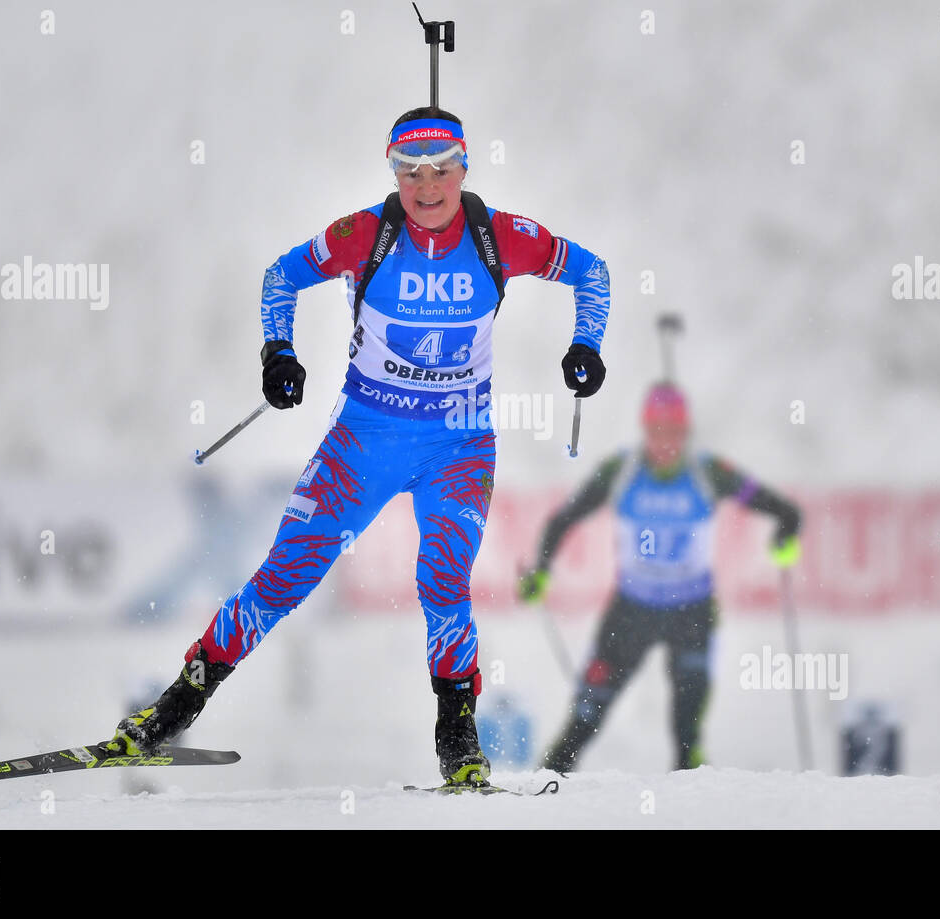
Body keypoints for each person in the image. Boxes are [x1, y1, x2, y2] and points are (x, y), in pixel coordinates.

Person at [103, 107, 611, 788]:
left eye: (440, 170)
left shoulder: (502, 238)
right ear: (393, 171)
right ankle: (174, 706)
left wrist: (585, 347)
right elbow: (281, 276)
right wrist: (277, 353)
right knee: (284, 577)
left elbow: (594, 273)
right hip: (363, 441)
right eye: (410, 172)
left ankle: (458, 740)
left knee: (443, 581)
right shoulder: (365, 234)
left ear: (464, 168)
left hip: (457, 446)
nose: (426, 187)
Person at [518, 382, 801, 772]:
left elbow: (784, 509)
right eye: (656, 432)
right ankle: (543, 791)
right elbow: (564, 518)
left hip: (691, 612)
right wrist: (541, 571)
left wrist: (786, 535)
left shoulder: (710, 472)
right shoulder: (621, 470)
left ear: (685, 434)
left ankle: (687, 811)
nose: (665, 442)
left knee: (687, 733)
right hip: (632, 611)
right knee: (584, 718)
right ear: (645, 430)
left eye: (674, 432)